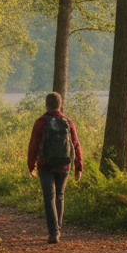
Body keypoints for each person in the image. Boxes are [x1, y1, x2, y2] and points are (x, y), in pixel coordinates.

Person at [27, 92, 83, 243]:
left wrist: (31, 165)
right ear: (60, 104)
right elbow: (76, 144)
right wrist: (78, 167)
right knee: (60, 196)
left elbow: (33, 146)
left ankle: (54, 233)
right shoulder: (68, 121)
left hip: (45, 165)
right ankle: (58, 229)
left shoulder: (40, 122)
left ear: (46, 104)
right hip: (64, 165)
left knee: (49, 197)